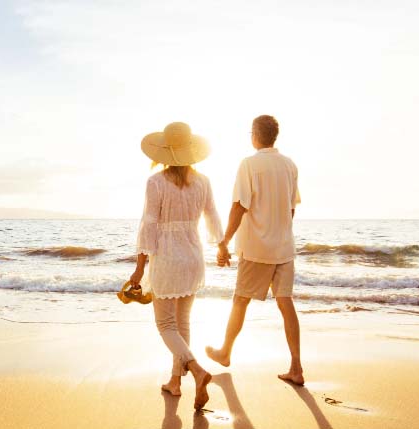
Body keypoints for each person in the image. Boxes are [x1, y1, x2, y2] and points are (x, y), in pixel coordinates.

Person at [130, 121, 223, 410]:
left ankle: (195, 370)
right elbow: (212, 215)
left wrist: (139, 266)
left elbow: (149, 225)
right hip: (194, 255)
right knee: (182, 322)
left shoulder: (156, 182)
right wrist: (221, 245)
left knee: (166, 324)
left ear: (165, 152)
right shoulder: (203, 181)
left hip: (168, 257)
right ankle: (175, 381)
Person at [206, 115, 305, 385]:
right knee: (286, 303)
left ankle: (225, 352)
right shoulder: (290, 165)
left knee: (240, 300)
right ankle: (296, 367)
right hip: (284, 247)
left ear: (255, 135)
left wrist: (224, 241)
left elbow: (240, 206)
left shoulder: (249, 164)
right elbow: (291, 208)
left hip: (257, 248)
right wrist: (280, 232)